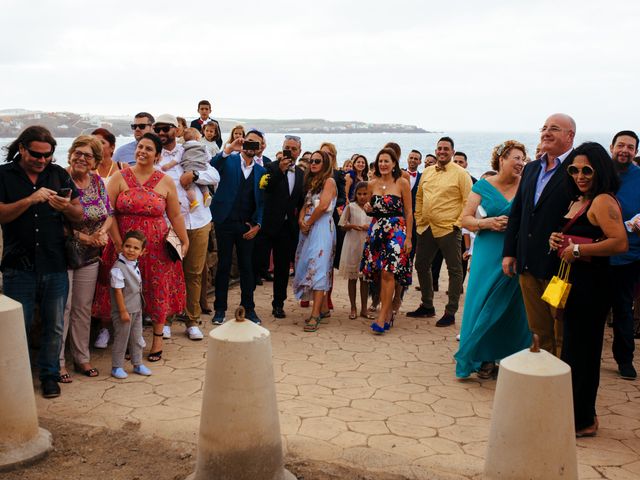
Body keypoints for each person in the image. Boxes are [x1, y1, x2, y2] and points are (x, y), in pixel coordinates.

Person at [548, 142, 627, 437]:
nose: (580, 175)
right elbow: (576, 235)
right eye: (574, 169)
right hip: (571, 282)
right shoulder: (579, 199)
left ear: (600, 170)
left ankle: (584, 420)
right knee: (572, 350)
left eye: (587, 170)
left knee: (584, 354)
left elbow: (620, 243)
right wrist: (555, 239)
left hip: (591, 286)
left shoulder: (603, 201)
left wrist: (578, 250)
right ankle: (574, 414)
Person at [0, 126, 83, 398]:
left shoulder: (58, 174)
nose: (42, 160)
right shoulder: (4, 175)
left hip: (54, 262)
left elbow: (78, 214)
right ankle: (15, 378)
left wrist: (65, 208)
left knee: (54, 325)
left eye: (47, 155)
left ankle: (49, 376)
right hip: (18, 264)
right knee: (16, 328)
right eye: (36, 154)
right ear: (22, 149)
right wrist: (30, 199)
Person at [93, 132, 189, 361]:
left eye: (148, 149)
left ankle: (156, 339)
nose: (142, 152)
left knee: (157, 291)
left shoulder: (165, 181)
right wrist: (117, 243)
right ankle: (128, 338)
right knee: (125, 293)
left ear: (157, 155)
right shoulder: (120, 177)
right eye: (140, 147)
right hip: (123, 245)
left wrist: (185, 240)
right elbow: (110, 213)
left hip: (155, 247)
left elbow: (174, 215)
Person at [454, 141, 531, 379]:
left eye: (523, 159)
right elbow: (464, 219)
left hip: (516, 251)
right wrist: (486, 223)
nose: (521, 163)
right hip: (488, 251)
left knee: (513, 307)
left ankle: (510, 358)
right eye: (516, 158)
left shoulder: (527, 186)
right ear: (501, 159)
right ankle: (481, 357)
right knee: (482, 301)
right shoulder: (483, 186)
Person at [503, 113, 575, 356]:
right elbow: (518, 214)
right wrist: (510, 253)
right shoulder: (532, 168)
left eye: (553, 128)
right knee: (538, 330)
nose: (546, 132)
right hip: (527, 264)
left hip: (559, 268)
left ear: (569, 135)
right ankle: (546, 383)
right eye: (544, 128)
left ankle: (565, 385)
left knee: (561, 329)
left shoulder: (577, 169)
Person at [154, 114, 219, 341]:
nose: (162, 133)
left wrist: (195, 174)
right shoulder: (155, 157)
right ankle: (168, 319)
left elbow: (214, 174)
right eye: (158, 129)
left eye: (166, 128)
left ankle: (192, 320)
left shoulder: (191, 149)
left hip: (199, 220)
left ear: (176, 130)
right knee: (170, 273)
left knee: (194, 274)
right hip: (170, 223)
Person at [59, 135, 113, 382]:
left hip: (90, 257)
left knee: (82, 309)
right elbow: (56, 223)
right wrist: (86, 237)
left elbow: (109, 213)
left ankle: (81, 357)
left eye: (87, 155)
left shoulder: (98, 182)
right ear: (70, 153)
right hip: (63, 254)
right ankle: (58, 363)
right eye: (77, 153)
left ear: (95, 161)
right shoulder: (60, 180)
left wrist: (101, 232)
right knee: (63, 309)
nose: (81, 158)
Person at [409, 137, 472, 327]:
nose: (442, 151)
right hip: (426, 227)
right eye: (439, 148)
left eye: (446, 148)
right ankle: (427, 305)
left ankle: (450, 311)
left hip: (449, 229)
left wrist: (457, 223)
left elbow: (468, 201)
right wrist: (419, 218)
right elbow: (419, 196)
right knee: (421, 264)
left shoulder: (461, 174)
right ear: (435, 151)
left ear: (453, 152)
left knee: (454, 269)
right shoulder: (427, 172)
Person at [210, 131, 265, 325]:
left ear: (260, 147)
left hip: (246, 225)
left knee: (247, 267)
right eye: (249, 142)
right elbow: (213, 166)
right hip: (224, 221)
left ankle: (248, 308)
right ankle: (219, 309)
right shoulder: (230, 160)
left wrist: (258, 224)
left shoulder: (261, 171)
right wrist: (229, 149)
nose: (251, 146)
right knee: (223, 265)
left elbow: (262, 201)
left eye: (255, 144)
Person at [361, 148, 413, 334]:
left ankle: (382, 316)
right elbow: (370, 209)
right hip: (377, 231)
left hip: (396, 231)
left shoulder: (402, 183)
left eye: (386, 161)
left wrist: (409, 238)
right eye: (380, 161)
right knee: (380, 274)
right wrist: (367, 208)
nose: (383, 164)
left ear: (394, 164)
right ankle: (388, 311)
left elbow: (408, 212)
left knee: (389, 273)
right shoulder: (371, 184)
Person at [260, 135, 305, 318]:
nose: (291, 152)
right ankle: (248, 302)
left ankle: (278, 304)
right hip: (268, 224)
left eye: (294, 149)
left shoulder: (302, 174)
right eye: (287, 148)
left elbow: (300, 200)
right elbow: (266, 188)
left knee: (282, 269)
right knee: (259, 263)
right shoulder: (270, 167)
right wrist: (280, 170)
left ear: (299, 152)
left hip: (287, 228)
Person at [293, 150, 337, 332]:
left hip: (321, 228)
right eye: (311, 160)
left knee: (318, 268)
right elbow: (306, 204)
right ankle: (324, 308)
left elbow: (324, 205)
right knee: (306, 265)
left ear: (325, 163)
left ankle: (315, 314)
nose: (313, 163)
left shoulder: (329, 181)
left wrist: (309, 222)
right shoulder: (312, 182)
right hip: (308, 228)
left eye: (317, 161)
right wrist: (301, 221)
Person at [608, 130, 640, 380]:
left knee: (623, 310)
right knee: (591, 310)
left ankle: (624, 360)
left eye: (630, 147)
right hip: (595, 254)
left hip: (629, 255)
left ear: (635, 152)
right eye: (621, 145)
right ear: (612, 146)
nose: (625, 150)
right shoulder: (598, 173)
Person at [110, 230, 152, 379]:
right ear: (122, 246)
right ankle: (117, 366)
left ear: (142, 251)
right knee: (122, 338)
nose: (131, 250)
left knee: (137, 337)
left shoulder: (134, 264)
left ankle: (137, 363)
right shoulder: (118, 268)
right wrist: (122, 311)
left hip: (137, 308)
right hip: (124, 310)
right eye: (128, 246)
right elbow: (118, 292)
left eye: (136, 248)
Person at [339, 181, 372, 319]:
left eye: (365, 194)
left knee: (365, 279)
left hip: (367, 245)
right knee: (352, 278)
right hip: (352, 244)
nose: (362, 197)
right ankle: (353, 307)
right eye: (359, 194)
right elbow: (342, 224)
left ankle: (364, 309)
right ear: (355, 194)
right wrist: (352, 226)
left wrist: (368, 228)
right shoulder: (350, 207)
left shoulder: (372, 208)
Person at [161, 127, 212, 211]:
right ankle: (206, 195)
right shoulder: (203, 145)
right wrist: (205, 163)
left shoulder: (183, 146)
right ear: (197, 138)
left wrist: (169, 165)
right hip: (202, 166)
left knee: (188, 185)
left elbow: (177, 159)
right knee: (202, 183)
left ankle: (193, 201)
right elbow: (209, 157)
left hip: (189, 167)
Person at [405, 150, 422, 261]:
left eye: (416, 159)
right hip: (399, 216)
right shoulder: (399, 174)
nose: (412, 160)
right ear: (407, 159)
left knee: (411, 249)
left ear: (420, 162)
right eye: (411, 158)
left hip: (415, 219)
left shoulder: (423, 177)